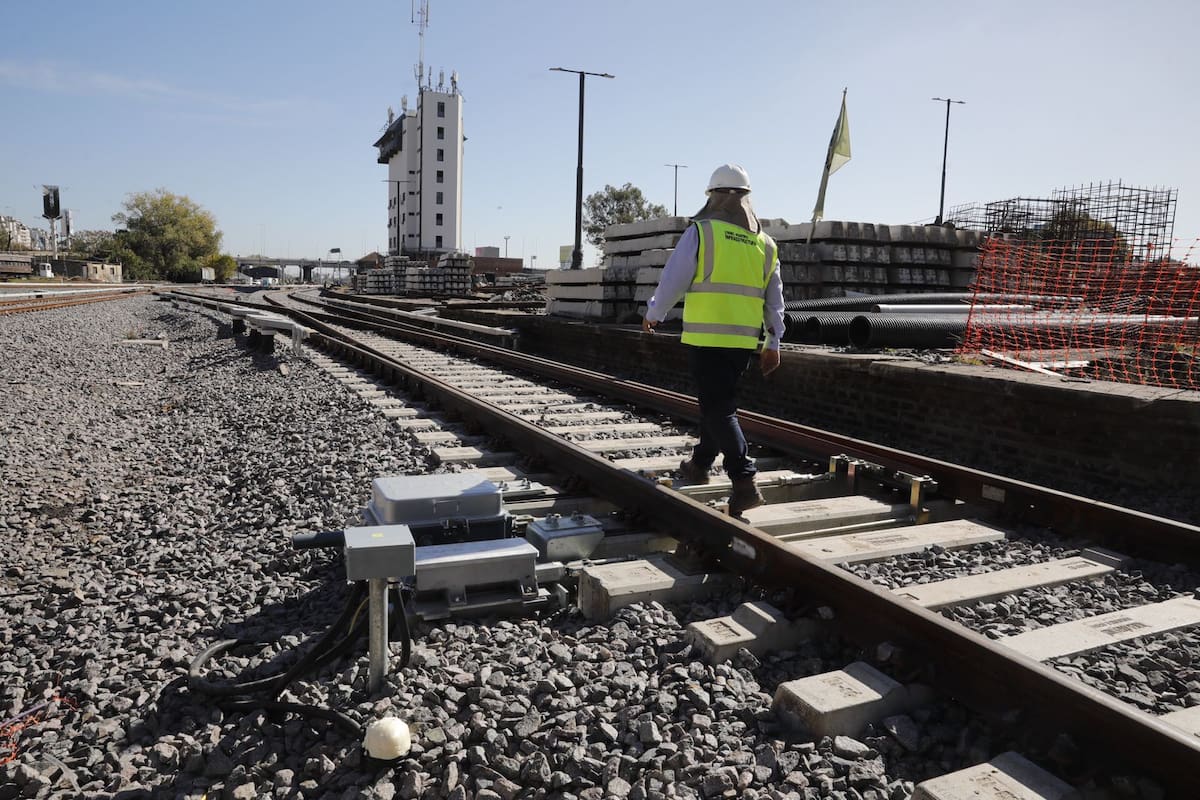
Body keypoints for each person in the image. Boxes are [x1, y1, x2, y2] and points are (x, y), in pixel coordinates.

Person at [641, 164, 784, 517]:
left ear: (712, 196)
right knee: (716, 404)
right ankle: (700, 465)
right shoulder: (764, 244)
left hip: (707, 338)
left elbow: (675, 277)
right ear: (747, 199)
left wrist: (654, 312)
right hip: (742, 343)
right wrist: (773, 343)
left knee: (719, 408)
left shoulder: (702, 232)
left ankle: (744, 479)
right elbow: (775, 299)